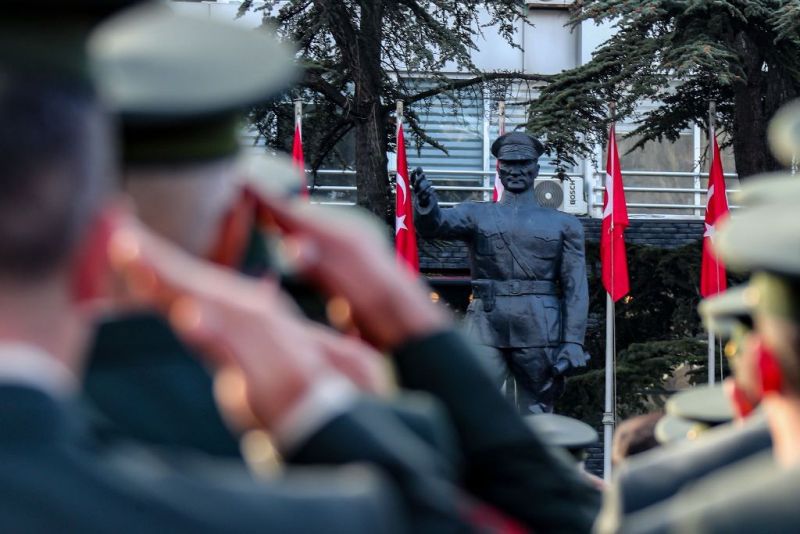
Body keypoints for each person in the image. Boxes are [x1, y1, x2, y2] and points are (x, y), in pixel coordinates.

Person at [412, 132, 590, 414]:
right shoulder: (475, 214)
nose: (516, 170)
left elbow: (575, 288)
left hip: (540, 325)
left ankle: (535, 458)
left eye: (523, 163)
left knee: (538, 409)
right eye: (508, 163)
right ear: (498, 167)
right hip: (485, 322)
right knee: (471, 402)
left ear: (536, 168)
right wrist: (425, 203)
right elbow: (435, 226)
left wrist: (573, 342)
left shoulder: (565, 225)